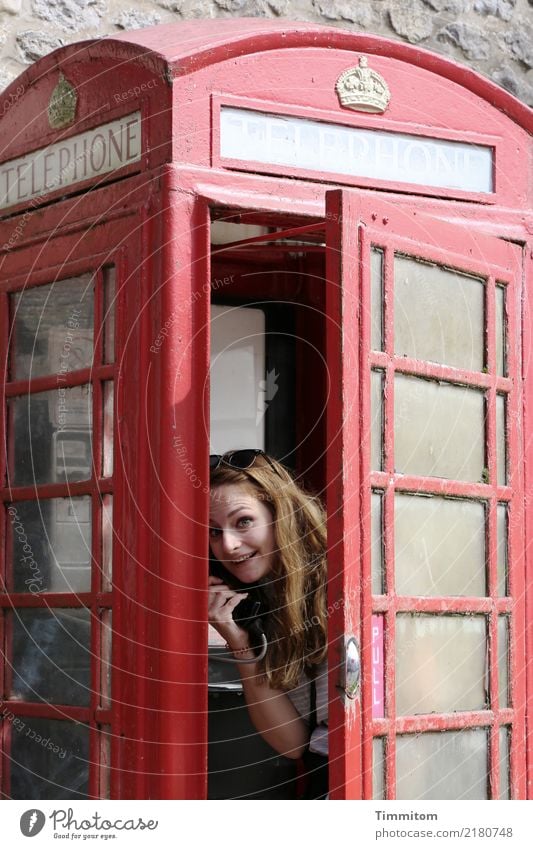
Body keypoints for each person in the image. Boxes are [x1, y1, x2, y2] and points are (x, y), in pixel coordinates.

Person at [208, 449, 329, 799]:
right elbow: (292, 744)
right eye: (213, 532)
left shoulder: (345, 584)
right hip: (323, 779)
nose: (228, 546)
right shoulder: (267, 607)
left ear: (282, 516)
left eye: (243, 521)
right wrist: (239, 639)